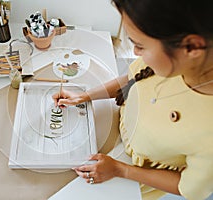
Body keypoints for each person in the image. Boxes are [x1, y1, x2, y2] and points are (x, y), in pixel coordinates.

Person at [52, 0, 213, 199]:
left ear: (192, 47)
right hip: (117, 127)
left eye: (139, 45)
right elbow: (133, 78)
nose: (136, 53)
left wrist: (121, 170)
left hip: (135, 174)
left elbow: (187, 187)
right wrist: (86, 96)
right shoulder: (171, 60)